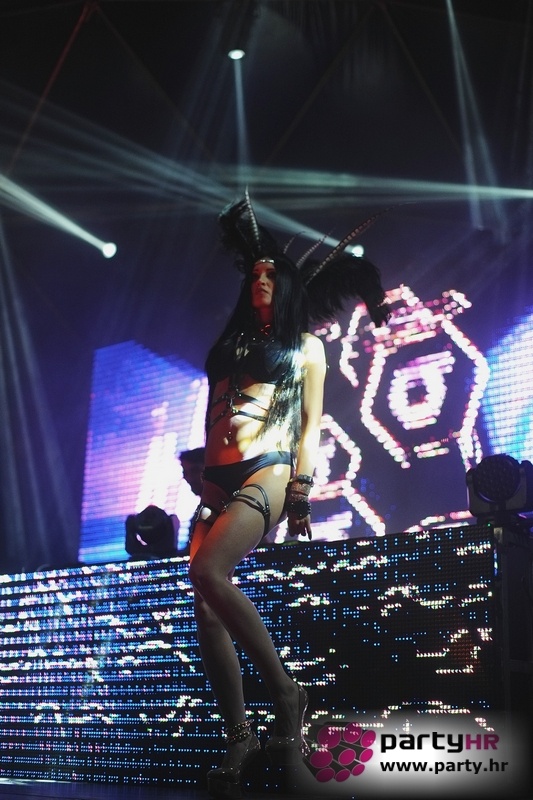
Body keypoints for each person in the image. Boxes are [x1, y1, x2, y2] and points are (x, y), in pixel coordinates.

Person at [188, 193, 389, 798]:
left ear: (290, 285)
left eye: (272, 273)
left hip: (268, 471)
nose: (260, 279)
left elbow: (309, 426)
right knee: (206, 607)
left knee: (208, 571)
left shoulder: (306, 346)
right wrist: (201, 467)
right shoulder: (231, 341)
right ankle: (239, 736)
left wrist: (301, 490)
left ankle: (286, 692)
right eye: (254, 272)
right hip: (216, 478)